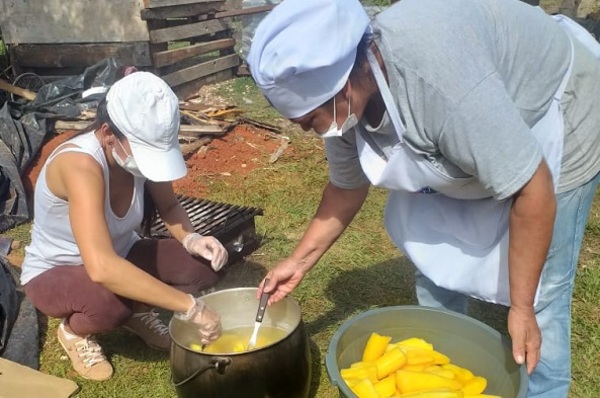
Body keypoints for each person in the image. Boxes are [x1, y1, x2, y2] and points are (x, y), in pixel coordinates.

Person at [247, 0, 600, 396]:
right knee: (437, 254)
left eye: (310, 121)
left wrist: (520, 308)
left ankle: (543, 388)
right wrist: (297, 262)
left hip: (559, 106)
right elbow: (346, 187)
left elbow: (532, 190)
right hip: (468, 118)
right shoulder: (342, 104)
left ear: (341, 87)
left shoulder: (439, 82)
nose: (308, 132)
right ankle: (441, 365)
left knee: (541, 297)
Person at [20, 72, 228, 381]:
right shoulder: (80, 166)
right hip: (56, 269)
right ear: (107, 134)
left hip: (121, 253)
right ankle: (74, 332)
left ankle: (137, 311)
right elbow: (102, 268)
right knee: (108, 303)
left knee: (202, 267)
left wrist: (193, 239)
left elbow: (169, 206)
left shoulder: (134, 154)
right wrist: (191, 308)